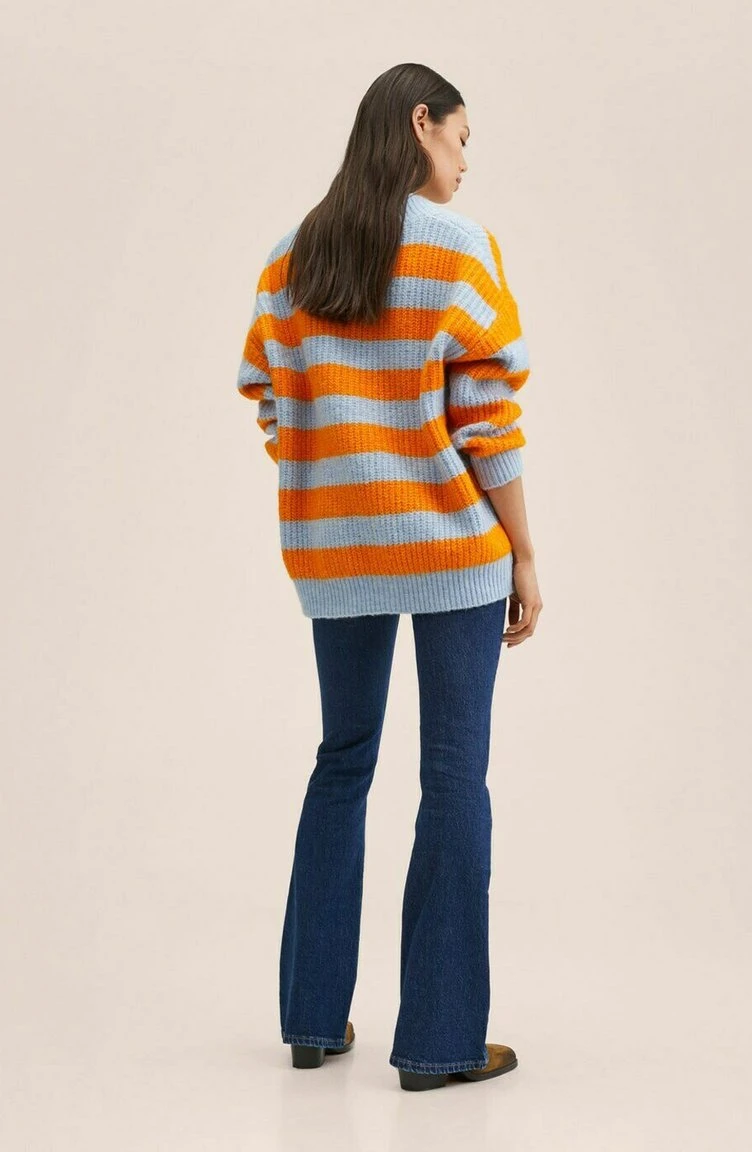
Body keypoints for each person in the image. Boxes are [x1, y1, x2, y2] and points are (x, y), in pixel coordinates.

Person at [236, 62, 543, 1092]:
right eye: (460, 138)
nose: (464, 161)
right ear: (419, 123)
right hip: (453, 549)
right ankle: (440, 1043)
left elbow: (269, 398)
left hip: (335, 551)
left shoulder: (291, 255)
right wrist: (525, 551)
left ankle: (312, 1021)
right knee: (453, 775)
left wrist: (336, 478)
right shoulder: (458, 247)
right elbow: (487, 422)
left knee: (342, 759)